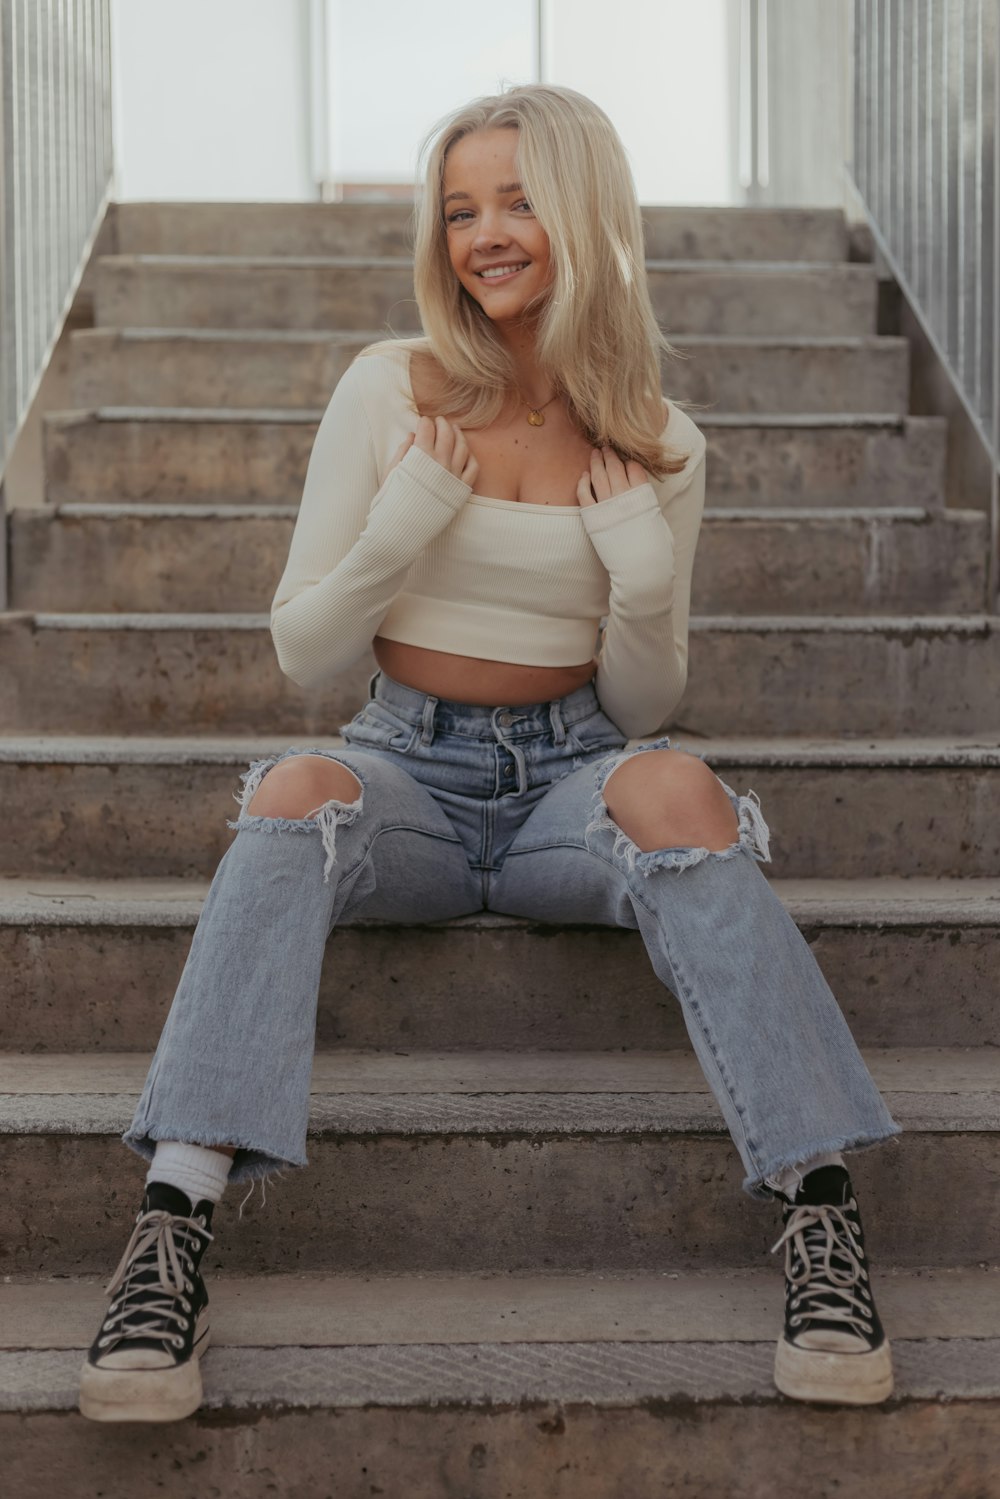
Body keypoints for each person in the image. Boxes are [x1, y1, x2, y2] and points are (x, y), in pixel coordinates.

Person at [79, 84, 900, 1424]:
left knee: (685, 790)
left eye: (517, 200)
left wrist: (637, 576)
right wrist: (403, 529)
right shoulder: (383, 389)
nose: (484, 234)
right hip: (408, 769)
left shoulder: (661, 441)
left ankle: (820, 1220)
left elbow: (642, 701)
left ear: (586, 211)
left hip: (573, 779)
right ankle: (172, 1229)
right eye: (461, 209)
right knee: (290, 794)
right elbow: (302, 649)